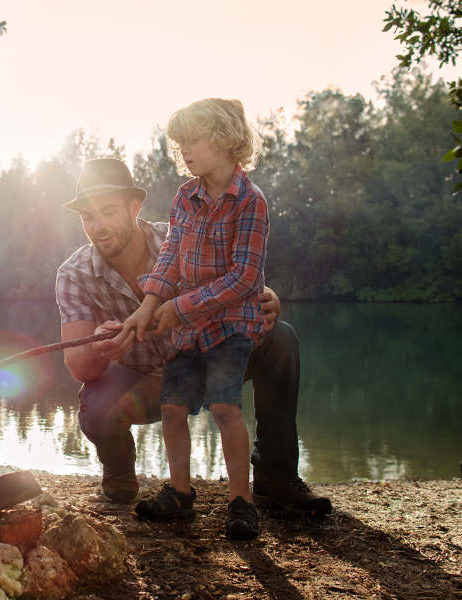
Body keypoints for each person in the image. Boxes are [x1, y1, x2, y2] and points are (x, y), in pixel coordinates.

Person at [55, 156, 332, 518]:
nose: (99, 226)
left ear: (134, 206)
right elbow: (77, 366)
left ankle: (276, 476)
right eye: (88, 216)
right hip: (146, 386)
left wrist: (269, 296)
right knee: (95, 403)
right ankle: (119, 470)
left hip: (208, 360)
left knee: (279, 340)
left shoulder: (178, 237)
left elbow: (235, 279)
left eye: (108, 211)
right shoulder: (73, 275)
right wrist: (100, 345)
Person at [120, 98, 268, 539]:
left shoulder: (251, 202)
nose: (184, 151)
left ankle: (241, 501)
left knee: (224, 407)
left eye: (193, 141)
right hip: (186, 328)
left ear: (225, 141)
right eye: (180, 144)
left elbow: (244, 278)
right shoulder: (186, 196)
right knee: (171, 409)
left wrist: (179, 308)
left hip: (230, 324)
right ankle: (180, 495)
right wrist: (149, 305)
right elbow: (169, 258)